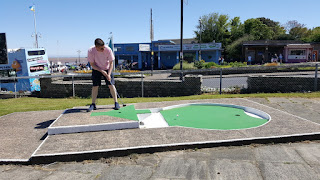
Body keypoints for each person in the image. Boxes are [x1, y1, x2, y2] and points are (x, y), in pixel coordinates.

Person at [87, 38, 120, 111]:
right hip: (96, 68)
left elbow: (111, 63)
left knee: (111, 85)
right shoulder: (91, 51)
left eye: (104, 47)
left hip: (107, 68)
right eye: (101, 48)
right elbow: (92, 64)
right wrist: (101, 71)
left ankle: (116, 102)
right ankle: (93, 104)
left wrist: (108, 73)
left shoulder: (108, 49)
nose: (103, 49)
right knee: (95, 86)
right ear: (96, 47)